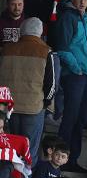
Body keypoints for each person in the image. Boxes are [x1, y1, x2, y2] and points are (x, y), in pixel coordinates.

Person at [52, 0, 87, 173]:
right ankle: (59, 160)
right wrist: (77, 69)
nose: (82, 2)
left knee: (80, 119)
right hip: (75, 76)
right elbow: (61, 48)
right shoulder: (68, 17)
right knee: (70, 118)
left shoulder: (84, 19)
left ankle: (72, 160)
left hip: (86, 75)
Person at [0, 17, 53, 164]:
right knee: (29, 152)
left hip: (8, 109)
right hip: (34, 108)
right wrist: (45, 104)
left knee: (9, 150)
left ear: (21, 31)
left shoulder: (6, 50)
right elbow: (52, 84)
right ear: (40, 32)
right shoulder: (47, 52)